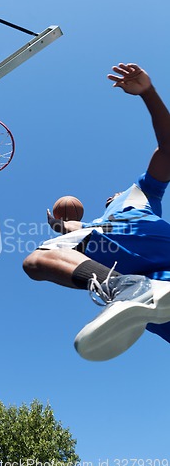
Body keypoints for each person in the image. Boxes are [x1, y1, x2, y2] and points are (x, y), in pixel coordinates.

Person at [23, 63, 170, 361]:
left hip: (156, 283)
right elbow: (74, 230)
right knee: (37, 259)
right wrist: (59, 226)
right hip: (158, 307)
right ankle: (127, 289)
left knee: (43, 254)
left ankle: (126, 287)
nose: (110, 196)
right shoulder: (89, 231)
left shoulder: (141, 195)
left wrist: (148, 93)